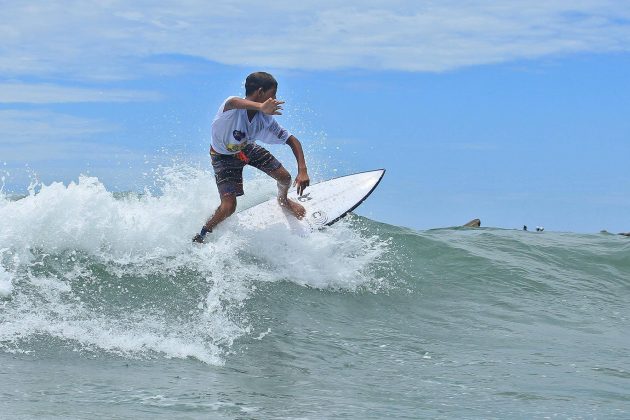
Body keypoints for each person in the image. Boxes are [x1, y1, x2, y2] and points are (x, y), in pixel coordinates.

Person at [193, 72, 310, 243]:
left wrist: (303, 170)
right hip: (222, 156)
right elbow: (233, 102)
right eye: (273, 94)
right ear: (260, 92)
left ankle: (283, 200)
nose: (275, 99)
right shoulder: (231, 107)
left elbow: (292, 140)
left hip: (245, 149)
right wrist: (261, 107)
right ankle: (203, 233)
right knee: (229, 207)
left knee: (285, 177)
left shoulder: (265, 119)